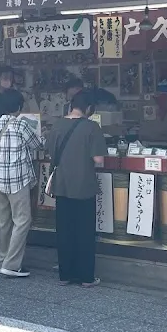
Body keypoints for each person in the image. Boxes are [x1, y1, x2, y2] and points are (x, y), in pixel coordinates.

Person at [47, 89, 107, 287]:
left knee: (64, 230)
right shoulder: (92, 127)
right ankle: (86, 277)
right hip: (84, 185)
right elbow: (98, 159)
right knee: (84, 231)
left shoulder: (57, 125)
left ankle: (65, 275)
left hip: (62, 184)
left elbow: (51, 154)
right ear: (89, 108)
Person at [0, 88, 43, 277]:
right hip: (17, 179)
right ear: (19, 107)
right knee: (22, 220)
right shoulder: (21, 126)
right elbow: (37, 144)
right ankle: (12, 264)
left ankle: (1, 261)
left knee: (3, 222)